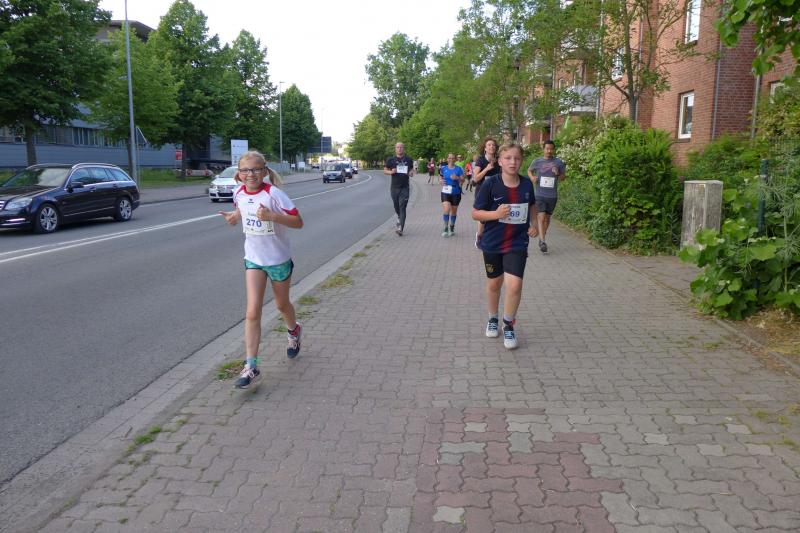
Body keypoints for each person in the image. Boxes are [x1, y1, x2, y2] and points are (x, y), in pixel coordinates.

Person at [220, 150, 304, 388]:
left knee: (281, 305)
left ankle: (294, 331)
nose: (251, 174)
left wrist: (272, 216)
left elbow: (298, 222)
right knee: (252, 311)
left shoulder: (274, 194)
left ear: (265, 171)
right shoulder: (238, 192)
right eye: (245, 170)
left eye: (256, 169)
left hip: (278, 260)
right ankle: (251, 366)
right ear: (239, 174)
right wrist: (235, 217)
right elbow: (243, 209)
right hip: (254, 259)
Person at [472, 142, 537, 350]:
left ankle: (508, 324)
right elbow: (475, 213)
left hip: (517, 242)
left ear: (521, 161)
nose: (512, 162)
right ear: (499, 161)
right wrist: (496, 214)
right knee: (494, 284)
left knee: (515, 285)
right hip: (492, 242)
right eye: (508, 158)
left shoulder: (526, 184)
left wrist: (534, 224)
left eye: (517, 158)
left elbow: (532, 205)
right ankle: (493, 318)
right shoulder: (491, 184)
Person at [527, 140, 566, 254]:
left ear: (553, 149)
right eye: (547, 148)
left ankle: (541, 237)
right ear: (543, 149)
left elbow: (563, 177)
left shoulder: (558, 162)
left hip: (552, 196)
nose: (549, 151)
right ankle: (543, 241)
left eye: (551, 149)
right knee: (541, 217)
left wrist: (558, 173)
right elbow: (529, 171)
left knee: (547, 219)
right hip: (539, 194)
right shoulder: (537, 161)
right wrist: (532, 178)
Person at [472, 137, 501, 249]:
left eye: (493, 145)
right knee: (483, 218)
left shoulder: (498, 160)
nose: (491, 147)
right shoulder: (481, 160)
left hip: (495, 192)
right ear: (485, 148)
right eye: (489, 145)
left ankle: (490, 237)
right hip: (482, 192)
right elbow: (475, 178)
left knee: (494, 215)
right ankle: (479, 236)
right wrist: (487, 169)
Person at [384, 142, 415, 236]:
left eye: (401, 147)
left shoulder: (408, 159)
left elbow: (411, 170)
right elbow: (385, 170)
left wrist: (410, 173)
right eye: (398, 147)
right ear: (395, 149)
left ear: (403, 149)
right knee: (396, 206)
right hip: (394, 188)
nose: (400, 149)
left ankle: (400, 228)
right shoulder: (390, 160)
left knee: (402, 207)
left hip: (405, 187)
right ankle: (399, 217)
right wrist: (391, 172)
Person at [439, 153, 464, 237]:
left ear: (455, 159)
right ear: (447, 159)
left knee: (453, 211)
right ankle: (445, 228)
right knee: (446, 208)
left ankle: (452, 227)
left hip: (456, 192)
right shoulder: (443, 168)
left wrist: (457, 178)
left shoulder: (459, 169)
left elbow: (463, 180)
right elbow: (440, 177)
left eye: (453, 158)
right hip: (445, 191)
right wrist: (440, 181)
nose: (451, 160)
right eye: (449, 158)